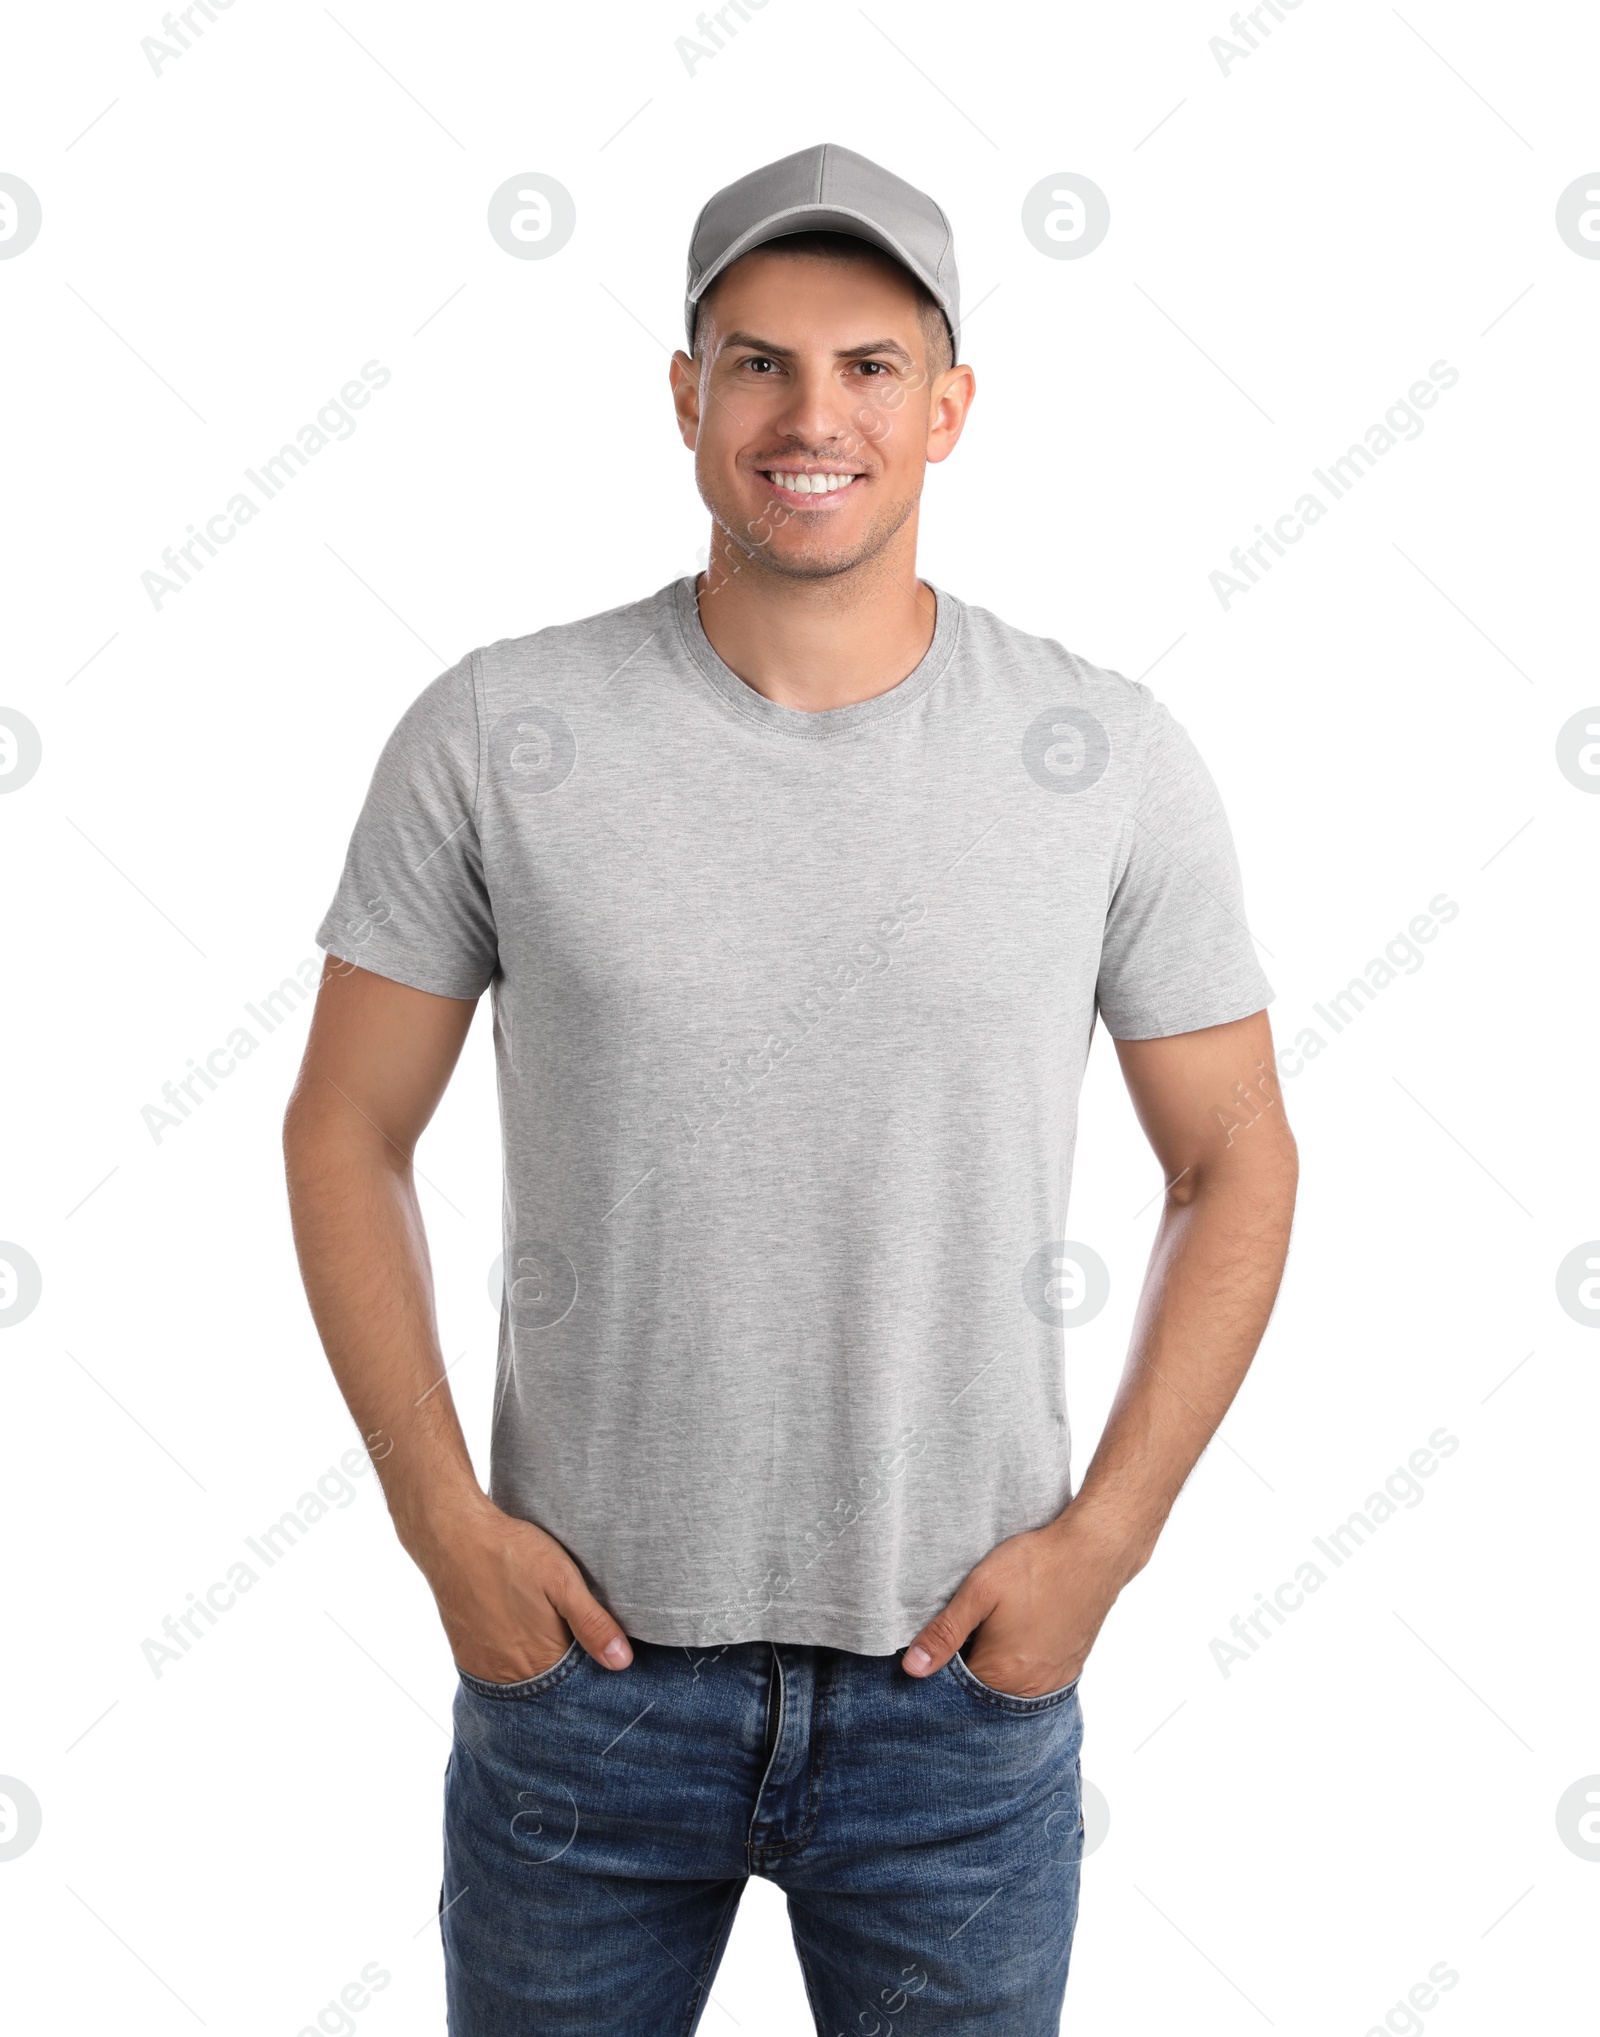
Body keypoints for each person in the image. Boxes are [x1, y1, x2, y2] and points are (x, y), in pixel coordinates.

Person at [283, 141, 1298, 2037]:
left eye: (868, 365)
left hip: (956, 1700)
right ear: (684, 398)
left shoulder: (1102, 759)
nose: (810, 413)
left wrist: (1107, 1544)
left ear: (949, 406)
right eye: (756, 362)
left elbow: (1234, 1156)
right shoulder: (502, 732)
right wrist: (443, 1524)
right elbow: (346, 1127)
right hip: (579, 1684)